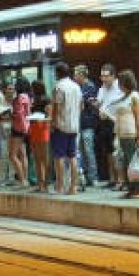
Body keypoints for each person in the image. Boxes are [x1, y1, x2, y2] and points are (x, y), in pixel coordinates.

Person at [50, 62, 83, 195]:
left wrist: (52, 123)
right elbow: (81, 106)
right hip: (75, 126)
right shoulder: (76, 87)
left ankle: (59, 187)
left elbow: (56, 108)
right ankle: (73, 187)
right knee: (73, 156)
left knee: (59, 157)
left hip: (61, 125)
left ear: (57, 73)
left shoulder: (59, 87)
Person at [114, 70, 139, 198]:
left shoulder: (134, 96)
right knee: (127, 162)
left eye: (120, 82)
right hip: (123, 134)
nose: (118, 85)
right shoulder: (124, 96)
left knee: (134, 162)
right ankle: (131, 188)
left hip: (131, 133)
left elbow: (138, 118)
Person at [95, 64, 125, 187]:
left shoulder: (119, 87)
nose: (104, 79)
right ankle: (112, 178)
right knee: (107, 151)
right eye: (102, 76)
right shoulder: (102, 88)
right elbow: (100, 103)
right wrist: (97, 106)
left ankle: (120, 179)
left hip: (116, 121)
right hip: (104, 122)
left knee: (116, 151)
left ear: (113, 76)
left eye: (106, 76)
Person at [73, 64, 100, 186]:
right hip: (79, 123)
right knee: (81, 151)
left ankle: (93, 177)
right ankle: (84, 176)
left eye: (76, 74)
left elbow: (81, 100)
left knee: (89, 150)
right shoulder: (78, 87)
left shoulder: (90, 86)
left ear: (82, 75)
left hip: (88, 123)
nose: (74, 76)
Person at [6, 78, 31, 189]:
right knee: (23, 154)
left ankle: (22, 180)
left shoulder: (19, 98)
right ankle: (25, 179)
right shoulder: (27, 97)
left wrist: (11, 115)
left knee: (12, 155)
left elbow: (19, 114)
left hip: (17, 128)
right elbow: (27, 113)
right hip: (25, 127)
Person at [28, 80, 51, 192]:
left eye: (32, 87)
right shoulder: (34, 99)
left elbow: (49, 114)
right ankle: (40, 183)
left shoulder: (46, 99)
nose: (31, 90)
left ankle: (45, 184)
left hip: (42, 128)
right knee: (37, 158)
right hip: (35, 128)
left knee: (43, 158)